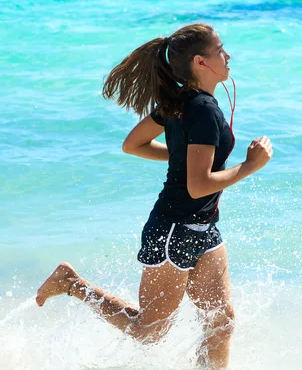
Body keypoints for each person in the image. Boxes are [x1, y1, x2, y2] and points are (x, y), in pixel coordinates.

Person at [35, 23, 273, 369]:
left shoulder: (183, 102)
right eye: (220, 49)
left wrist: (180, 155)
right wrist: (251, 165)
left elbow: (133, 144)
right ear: (200, 62)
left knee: (220, 321)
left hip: (203, 228)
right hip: (174, 230)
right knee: (148, 332)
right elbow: (198, 185)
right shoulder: (202, 109)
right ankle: (72, 283)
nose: (228, 55)